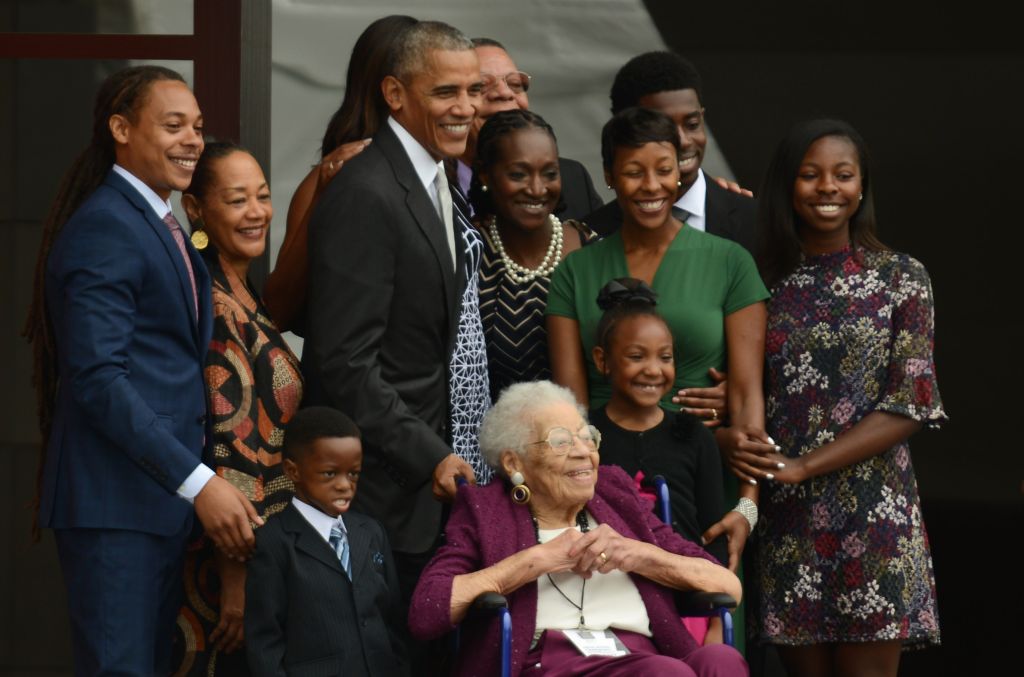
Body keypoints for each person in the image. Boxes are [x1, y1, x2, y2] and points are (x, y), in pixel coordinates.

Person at [24, 66, 260, 675]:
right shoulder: (107, 225)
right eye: (173, 125)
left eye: (199, 127)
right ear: (121, 128)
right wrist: (198, 480)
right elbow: (98, 380)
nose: (192, 140)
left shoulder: (160, 221)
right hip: (115, 507)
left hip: (155, 507)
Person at [546, 107, 771, 651]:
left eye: (663, 169)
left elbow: (746, 395)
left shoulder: (730, 261)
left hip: (704, 480)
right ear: (607, 175)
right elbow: (570, 406)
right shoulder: (577, 270)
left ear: (681, 169)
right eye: (633, 171)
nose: (651, 186)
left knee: (709, 637)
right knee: (619, 642)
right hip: (606, 484)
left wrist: (746, 505)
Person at [745, 119, 945, 677]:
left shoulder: (901, 277)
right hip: (787, 514)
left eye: (842, 175)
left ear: (861, 187)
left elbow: (911, 401)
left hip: (874, 512)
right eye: (810, 175)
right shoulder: (759, 281)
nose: (827, 187)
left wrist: (803, 466)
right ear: (787, 186)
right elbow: (740, 385)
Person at [303, 20, 483, 601]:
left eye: (472, 91)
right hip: (380, 494)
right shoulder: (366, 191)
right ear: (394, 94)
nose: (465, 108)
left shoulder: (437, 177)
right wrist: (430, 456)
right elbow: (345, 362)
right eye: (445, 92)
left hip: (421, 501)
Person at [409, 381, 747, 676]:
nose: (584, 452)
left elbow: (727, 587)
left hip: (645, 658)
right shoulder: (486, 511)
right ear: (515, 463)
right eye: (560, 441)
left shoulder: (616, 496)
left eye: (587, 437)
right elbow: (427, 611)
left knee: (720, 660)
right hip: (551, 664)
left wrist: (637, 553)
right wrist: (535, 561)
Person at [170, 141, 304, 674]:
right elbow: (233, 444)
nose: (257, 212)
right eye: (236, 200)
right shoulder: (217, 305)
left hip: (261, 548)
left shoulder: (246, 292)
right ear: (197, 210)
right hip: (229, 562)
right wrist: (237, 578)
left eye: (264, 196)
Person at [588, 279, 729, 646]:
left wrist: (716, 617)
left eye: (664, 358)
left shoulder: (694, 435)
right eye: (637, 357)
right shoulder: (584, 436)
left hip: (686, 601)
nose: (653, 370)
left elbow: (713, 535)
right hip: (610, 601)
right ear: (603, 360)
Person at [263, 14, 418, 334]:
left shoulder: (449, 171)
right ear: (393, 90)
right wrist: (323, 193)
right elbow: (279, 310)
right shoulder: (337, 175)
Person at [245, 406, 408, 676]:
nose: (345, 485)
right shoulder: (275, 541)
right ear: (292, 470)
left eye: (353, 473)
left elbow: (392, 620)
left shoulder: (371, 532)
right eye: (330, 474)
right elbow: (265, 642)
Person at [470, 108, 598, 401]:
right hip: (495, 441)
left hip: (589, 438)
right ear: (485, 175)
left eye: (550, 174)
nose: (538, 189)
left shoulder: (591, 250)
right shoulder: (470, 256)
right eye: (519, 174)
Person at [583, 51, 757, 250]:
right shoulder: (591, 235)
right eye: (664, 128)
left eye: (692, 124)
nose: (683, 141)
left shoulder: (757, 221)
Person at [452, 37, 603, 220]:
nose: (505, 93)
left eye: (515, 84)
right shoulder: (433, 185)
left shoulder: (572, 178)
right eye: (481, 85)